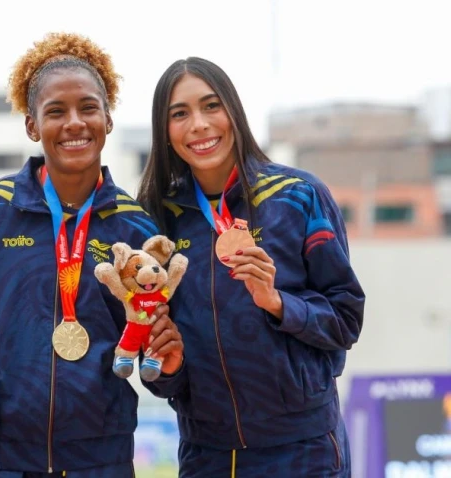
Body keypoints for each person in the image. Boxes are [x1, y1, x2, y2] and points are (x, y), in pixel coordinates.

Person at [0, 32, 184, 477]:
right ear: (32, 125)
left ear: (108, 118)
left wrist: (168, 367)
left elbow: (161, 347)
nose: (74, 122)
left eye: (88, 108)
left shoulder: (135, 229)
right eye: (56, 111)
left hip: (100, 459)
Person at [136, 57, 365, 477]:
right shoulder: (157, 218)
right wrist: (164, 369)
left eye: (211, 106)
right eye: (179, 114)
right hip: (207, 452)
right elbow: (153, 361)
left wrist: (278, 303)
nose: (199, 125)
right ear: (163, 131)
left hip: (303, 447)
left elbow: (346, 319)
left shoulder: (298, 197)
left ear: (234, 112)